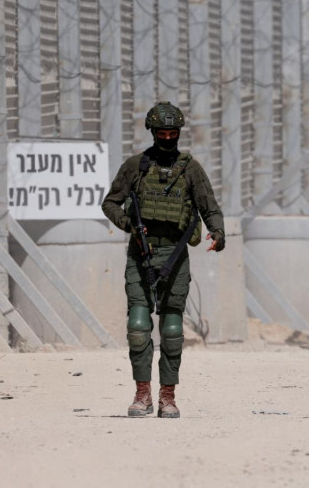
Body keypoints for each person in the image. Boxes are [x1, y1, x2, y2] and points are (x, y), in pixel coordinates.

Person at [101, 101, 226, 418]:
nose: (168, 139)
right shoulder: (136, 166)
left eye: (173, 133)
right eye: (162, 133)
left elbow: (209, 206)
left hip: (176, 254)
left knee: (171, 329)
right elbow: (111, 203)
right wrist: (129, 225)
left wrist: (218, 233)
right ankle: (142, 394)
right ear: (153, 132)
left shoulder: (190, 169)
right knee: (138, 326)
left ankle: (167, 396)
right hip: (142, 253)